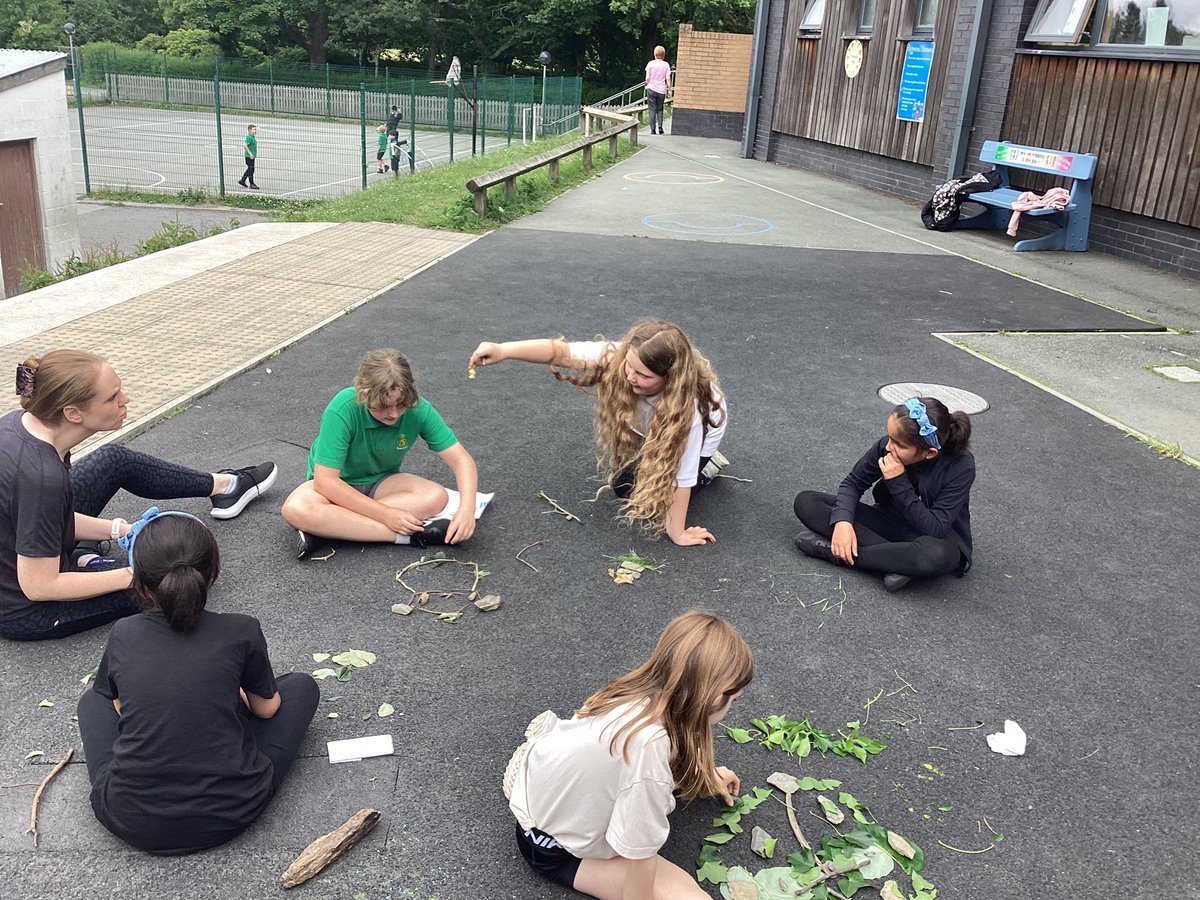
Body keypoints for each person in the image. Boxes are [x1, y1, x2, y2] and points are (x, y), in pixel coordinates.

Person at [76, 511, 319, 855]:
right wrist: (228, 691)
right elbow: (267, 710)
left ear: (142, 586)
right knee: (302, 686)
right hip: (231, 812)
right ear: (213, 574)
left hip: (130, 817)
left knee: (92, 700)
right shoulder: (242, 629)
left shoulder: (124, 632)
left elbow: (117, 707)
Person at [1, 350, 277, 641]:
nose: (125, 400)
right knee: (180, 580)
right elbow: (39, 586)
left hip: (24, 547)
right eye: (111, 398)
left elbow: (42, 515)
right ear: (72, 413)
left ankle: (226, 486)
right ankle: (80, 560)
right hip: (27, 610)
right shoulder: (43, 478)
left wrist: (121, 530)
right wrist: (134, 574)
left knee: (114, 459)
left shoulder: (19, 423)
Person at [506, 610, 753, 899]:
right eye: (733, 699)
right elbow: (640, 855)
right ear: (712, 698)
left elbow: (659, 757)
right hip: (554, 850)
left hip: (547, 810)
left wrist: (704, 775)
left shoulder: (637, 693)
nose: (733, 706)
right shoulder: (649, 753)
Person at [468, 322, 727, 546]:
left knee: (652, 500)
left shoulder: (689, 411)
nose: (630, 376)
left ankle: (708, 467)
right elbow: (560, 352)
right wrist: (503, 350)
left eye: (643, 375)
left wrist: (678, 533)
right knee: (626, 486)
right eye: (629, 366)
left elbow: (680, 478)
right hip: (650, 429)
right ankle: (653, 452)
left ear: (669, 379)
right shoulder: (624, 358)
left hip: (693, 440)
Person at [281, 348, 480, 559]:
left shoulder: (418, 408)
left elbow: (462, 460)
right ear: (363, 393)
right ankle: (406, 537)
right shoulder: (342, 408)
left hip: (381, 483)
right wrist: (386, 515)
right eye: (384, 406)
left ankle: (330, 530)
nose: (394, 413)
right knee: (295, 508)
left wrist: (467, 509)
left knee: (436, 496)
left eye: (401, 404)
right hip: (334, 489)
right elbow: (325, 481)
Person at [793, 397, 975, 592]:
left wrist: (898, 481)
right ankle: (894, 561)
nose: (888, 446)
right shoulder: (887, 446)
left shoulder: (961, 465)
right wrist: (843, 522)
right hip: (890, 524)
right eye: (889, 437)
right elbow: (853, 483)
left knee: (933, 555)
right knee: (807, 502)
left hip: (937, 538)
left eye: (898, 444)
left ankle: (835, 554)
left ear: (929, 453)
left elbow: (935, 528)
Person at [644, 47, 672, 136]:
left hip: (651, 88)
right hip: (661, 90)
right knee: (660, 109)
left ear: (654, 54)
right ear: (663, 55)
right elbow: (668, 78)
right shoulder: (666, 65)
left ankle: (652, 129)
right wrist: (669, 89)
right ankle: (660, 127)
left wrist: (646, 84)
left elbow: (647, 78)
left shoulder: (650, 64)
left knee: (652, 109)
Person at [238, 124, 258, 190]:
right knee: (251, 169)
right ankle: (251, 183)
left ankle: (243, 180)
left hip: (252, 156)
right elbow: (245, 145)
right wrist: (250, 154)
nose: (255, 131)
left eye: (255, 129)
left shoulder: (252, 137)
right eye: (254, 129)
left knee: (250, 169)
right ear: (249, 130)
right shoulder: (249, 137)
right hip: (249, 156)